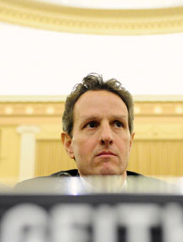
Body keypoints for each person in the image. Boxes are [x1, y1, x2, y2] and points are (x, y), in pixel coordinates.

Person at [15, 73, 164, 193]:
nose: (107, 136)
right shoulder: (31, 197)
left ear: (130, 142)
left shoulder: (165, 198)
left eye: (118, 124)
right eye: (92, 125)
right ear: (69, 144)